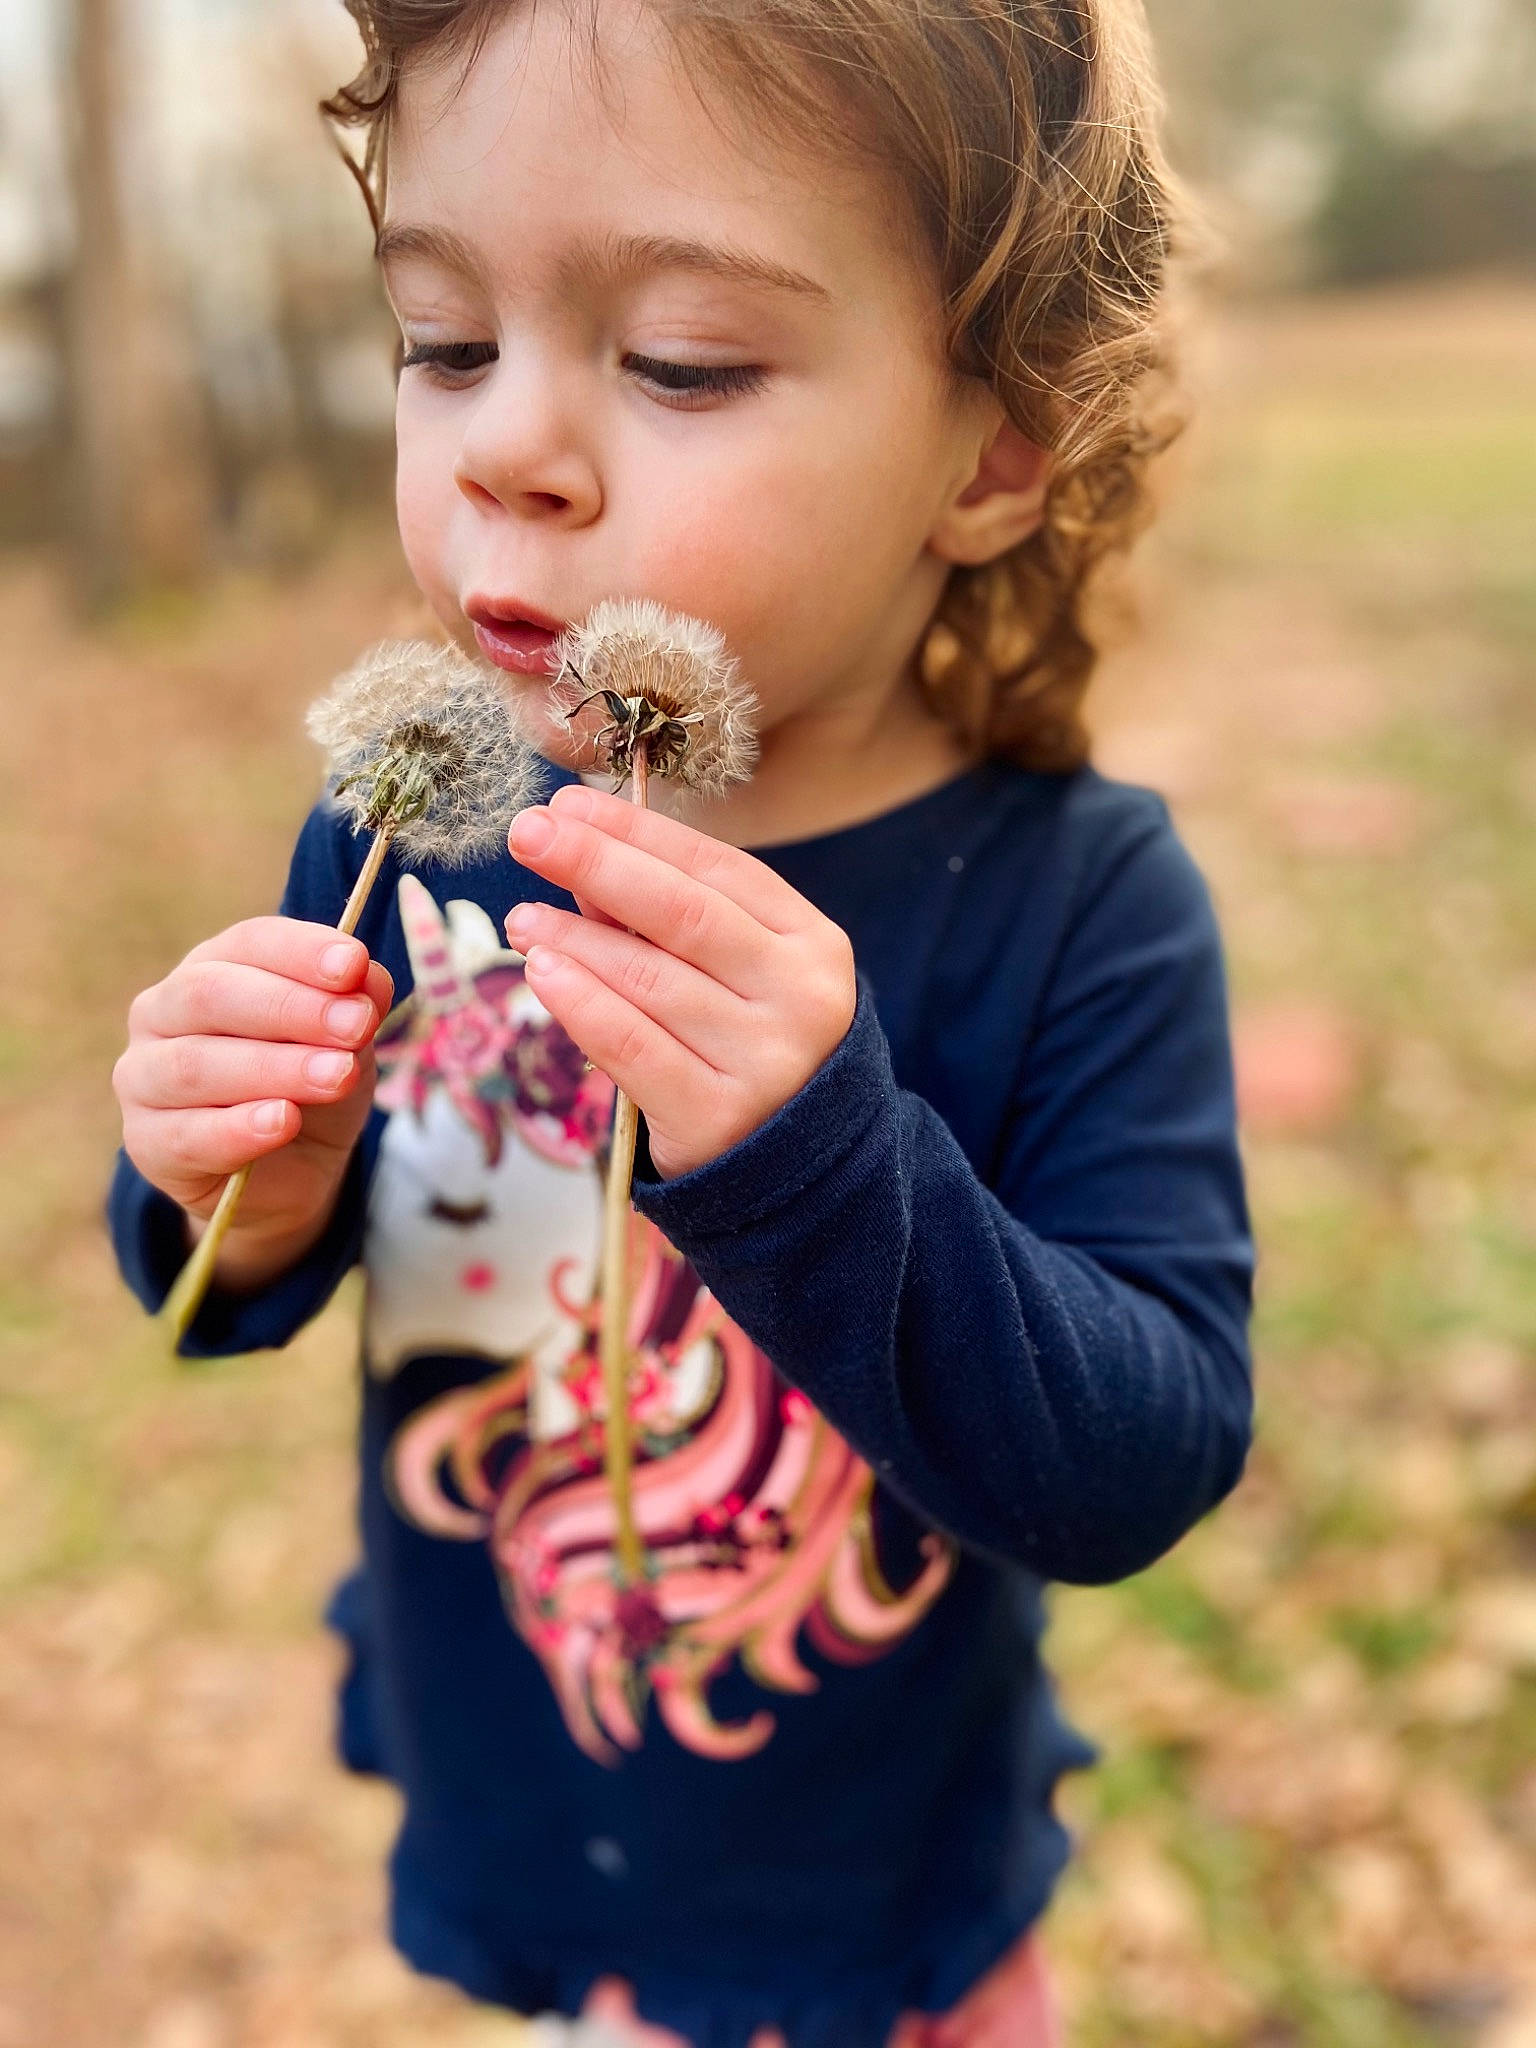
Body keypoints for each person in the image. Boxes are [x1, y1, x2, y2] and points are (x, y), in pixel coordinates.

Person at [108, 0, 1253, 2041]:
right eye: (444, 341)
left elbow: (1136, 1462)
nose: (507, 449)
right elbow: (211, 1300)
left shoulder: (1084, 902)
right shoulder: (409, 828)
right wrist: (238, 1187)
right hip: (532, 1847)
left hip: (890, 1933)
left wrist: (819, 1151)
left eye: (682, 362)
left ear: (993, 448)